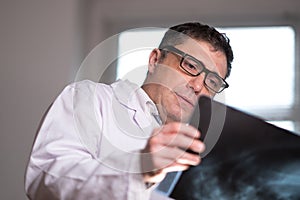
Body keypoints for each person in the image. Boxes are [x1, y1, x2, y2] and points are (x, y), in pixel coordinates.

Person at [25, 22, 233, 200]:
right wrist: (141, 167)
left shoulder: (201, 154)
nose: (198, 86)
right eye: (190, 65)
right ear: (155, 60)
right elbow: (48, 180)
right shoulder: (91, 98)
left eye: (212, 82)